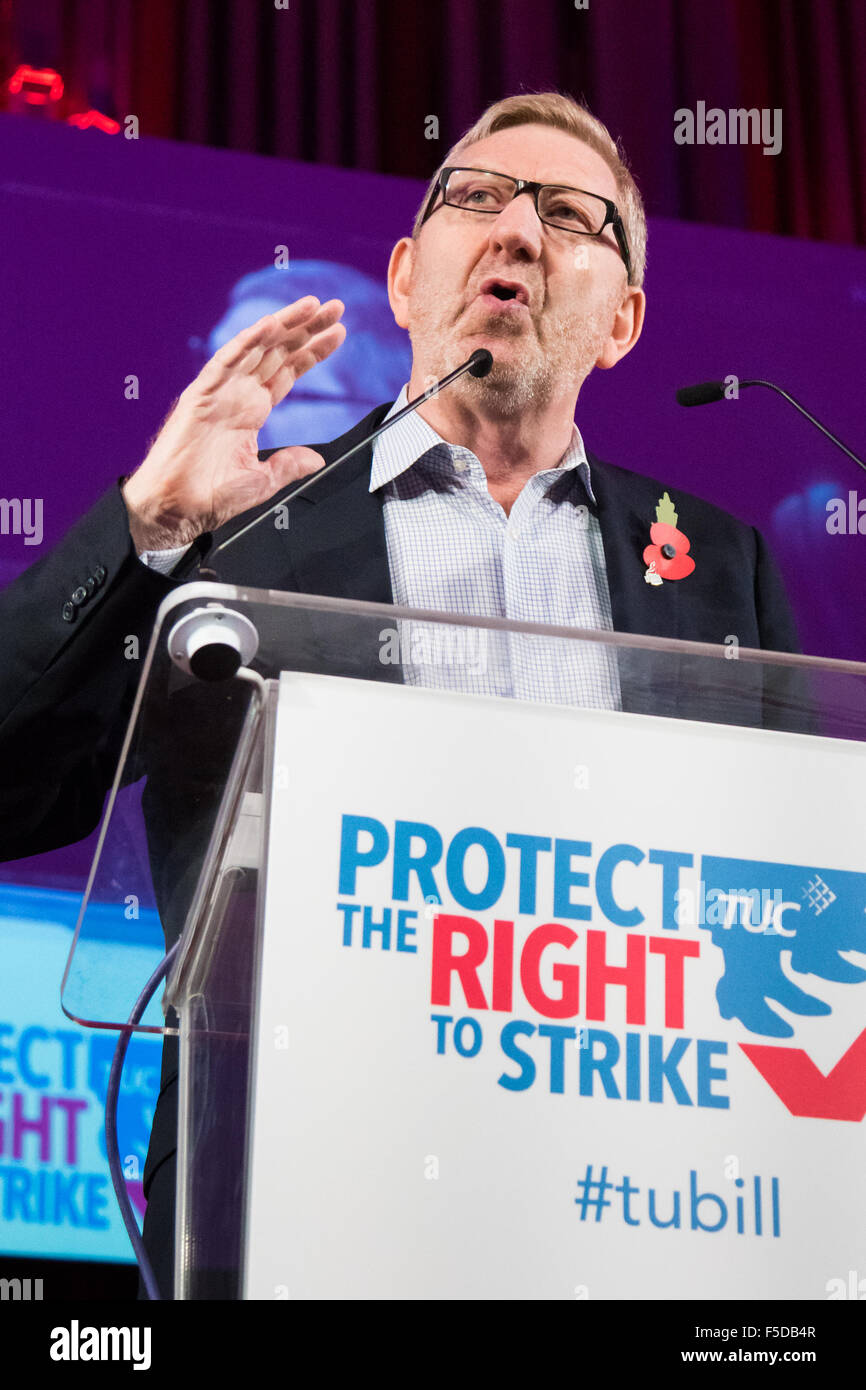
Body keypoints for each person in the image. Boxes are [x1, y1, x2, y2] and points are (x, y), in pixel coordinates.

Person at [0, 92, 803, 1298]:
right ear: (403, 273)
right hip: (291, 1195)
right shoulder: (244, 520)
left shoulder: (722, 568)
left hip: (638, 1208)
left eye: (571, 216)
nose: (517, 233)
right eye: (475, 198)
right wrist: (148, 522)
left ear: (623, 321)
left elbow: (795, 889)